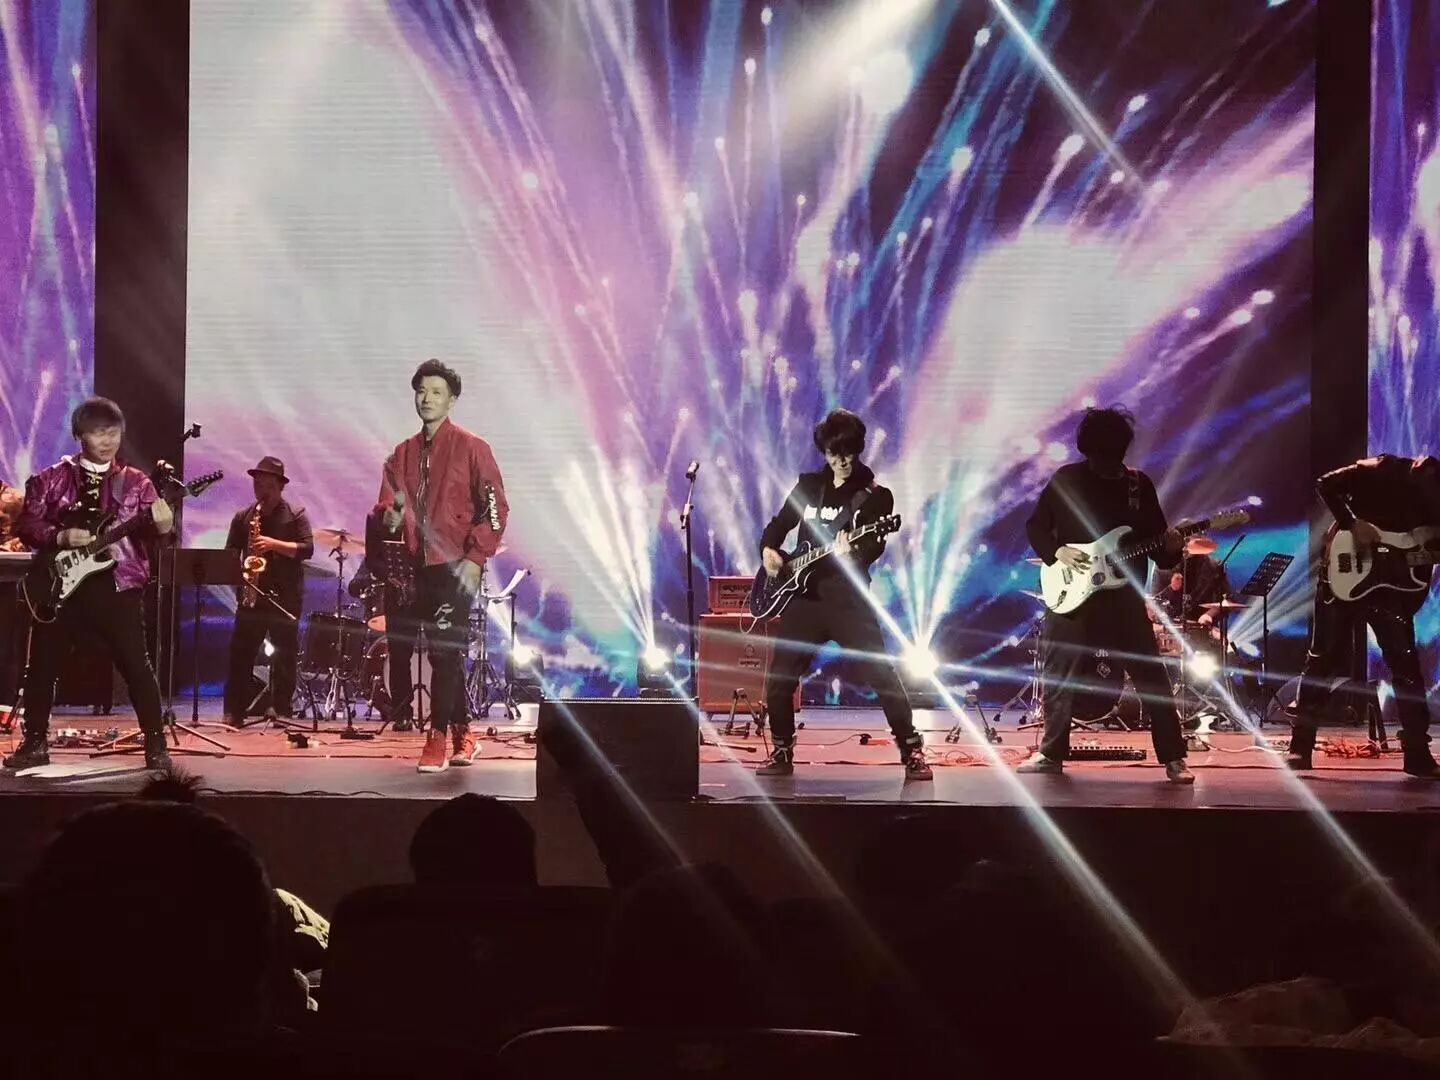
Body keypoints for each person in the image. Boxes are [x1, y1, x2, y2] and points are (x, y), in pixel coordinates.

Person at [756, 408, 931, 781]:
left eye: (849, 453)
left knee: (882, 675)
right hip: (804, 597)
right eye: (835, 454)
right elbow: (779, 525)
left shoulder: (875, 497)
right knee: (779, 679)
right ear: (825, 452)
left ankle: (911, 749)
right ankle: (782, 750)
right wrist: (769, 550)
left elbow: (873, 547)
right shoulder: (808, 486)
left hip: (848, 600)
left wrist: (853, 553)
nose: (842, 461)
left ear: (858, 449)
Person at [1021, 406, 1193, 782]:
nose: (1107, 466)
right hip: (1071, 592)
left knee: (1151, 676)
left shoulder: (1138, 485)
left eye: (1113, 457)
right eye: (1101, 457)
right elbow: (1035, 527)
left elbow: (1160, 550)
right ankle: (1051, 752)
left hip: (1123, 597)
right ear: (1088, 450)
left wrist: (1172, 547)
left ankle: (1174, 757)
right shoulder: (1066, 479)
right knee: (1059, 673)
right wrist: (1057, 552)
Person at [3, 398, 173, 770]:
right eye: (98, 433)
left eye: (114, 432)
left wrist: (164, 525)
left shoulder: (137, 483)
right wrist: (60, 537)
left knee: (136, 665)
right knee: (43, 665)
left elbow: (157, 536)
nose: (108, 440)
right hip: (61, 587)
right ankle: (35, 742)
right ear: (80, 435)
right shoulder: (51, 478)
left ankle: (156, 744)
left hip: (118, 585)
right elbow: (27, 525)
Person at [377, 359, 508, 772]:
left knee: (445, 651)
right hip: (416, 567)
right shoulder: (401, 454)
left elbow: (496, 508)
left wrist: (476, 558)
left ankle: (436, 738)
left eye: (436, 392)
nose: (427, 398)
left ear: (451, 400)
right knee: (440, 655)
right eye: (421, 391)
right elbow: (388, 506)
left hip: (456, 566)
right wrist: (391, 516)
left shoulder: (472, 447)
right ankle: (464, 733)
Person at [1288, 454, 1440, 777]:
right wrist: (1352, 523)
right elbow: (1325, 483)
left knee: (1406, 668)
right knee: (1322, 660)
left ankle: (1417, 753)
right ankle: (1300, 747)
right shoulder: (1380, 469)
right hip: (1344, 578)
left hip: (1390, 590)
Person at [222, 456, 313, 726]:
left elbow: (307, 549)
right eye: (258, 486)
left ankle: (281, 710)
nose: (262, 492)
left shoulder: (296, 515)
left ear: (280, 487)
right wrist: (241, 575)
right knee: (240, 654)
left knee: (285, 655)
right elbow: (230, 554)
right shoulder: (243, 517)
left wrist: (273, 544)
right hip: (252, 595)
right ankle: (233, 711)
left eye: (268, 487)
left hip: (285, 596)